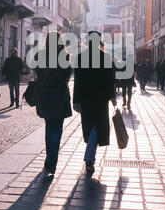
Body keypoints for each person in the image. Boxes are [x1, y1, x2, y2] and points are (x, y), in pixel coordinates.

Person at [73, 31, 116, 175]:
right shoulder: (105, 57)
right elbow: (110, 80)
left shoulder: (80, 58)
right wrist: (112, 97)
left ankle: (90, 157)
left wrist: (76, 101)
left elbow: (78, 82)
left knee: (90, 127)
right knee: (97, 127)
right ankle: (89, 157)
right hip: (101, 99)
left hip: (86, 99)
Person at [33, 31, 72, 176]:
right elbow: (67, 75)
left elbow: (37, 73)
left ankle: (49, 161)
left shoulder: (40, 55)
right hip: (59, 96)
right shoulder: (65, 56)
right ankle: (50, 163)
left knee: (49, 128)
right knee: (57, 129)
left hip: (45, 95)